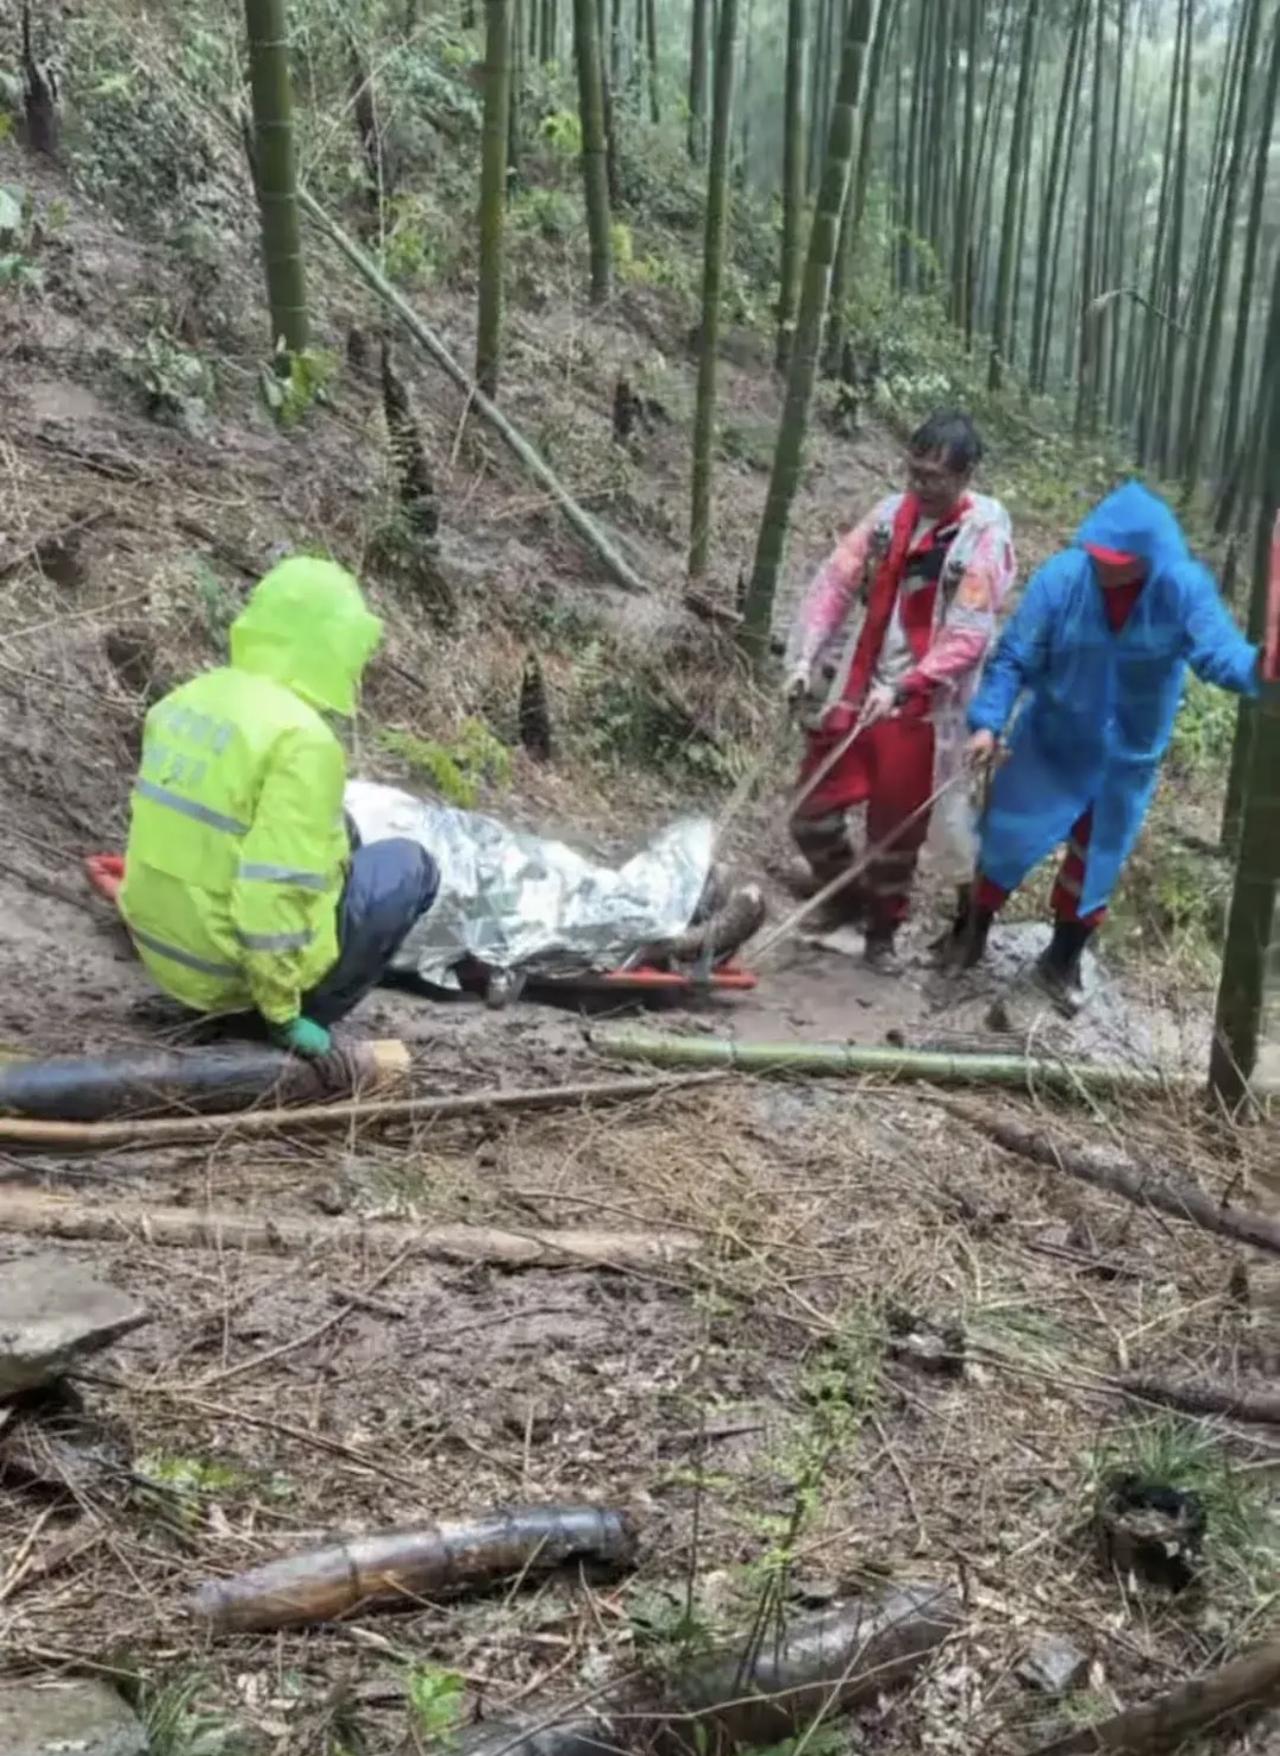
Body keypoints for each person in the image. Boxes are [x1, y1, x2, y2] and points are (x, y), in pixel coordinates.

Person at [942, 480, 1268, 1015]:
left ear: (1149, 557)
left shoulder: (1182, 588)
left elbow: (1219, 654)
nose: (1106, 566)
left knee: (1096, 862)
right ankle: (969, 934)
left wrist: (1260, 668)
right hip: (1050, 741)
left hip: (1125, 758)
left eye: (1120, 560)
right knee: (1003, 838)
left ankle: (1062, 962)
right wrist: (987, 723)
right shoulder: (1064, 578)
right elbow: (1014, 656)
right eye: (1100, 555)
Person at [120, 557, 439, 1055]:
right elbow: (272, 892)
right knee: (410, 866)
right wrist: (282, 1016)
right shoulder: (303, 741)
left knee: (344, 829)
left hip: (169, 962)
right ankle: (299, 1010)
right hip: (231, 980)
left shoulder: (183, 701)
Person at [783, 410, 1016, 970]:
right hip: (859, 682)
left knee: (896, 830)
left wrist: (909, 684)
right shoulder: (889, 517)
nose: (921, 487)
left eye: (935, 477)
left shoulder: (980, 540)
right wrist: (805, 657)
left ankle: (882, 934)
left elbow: (967, 635)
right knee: (809, 813)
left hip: (922, 707)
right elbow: (835, 583)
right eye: (915, 473)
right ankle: (846, 901)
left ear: (966, 475)